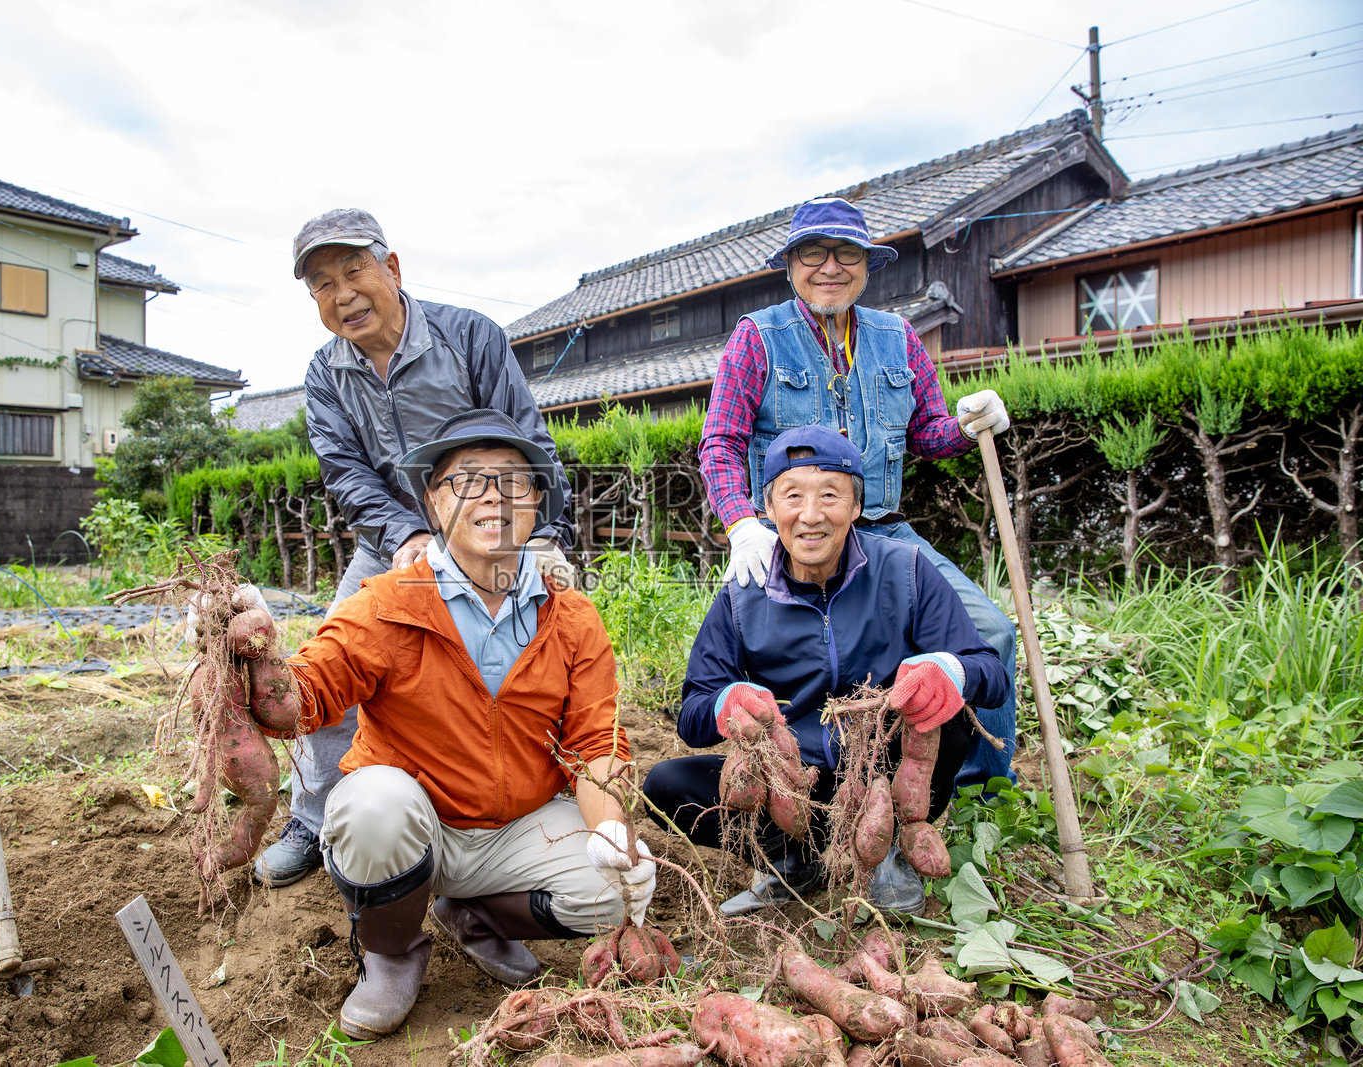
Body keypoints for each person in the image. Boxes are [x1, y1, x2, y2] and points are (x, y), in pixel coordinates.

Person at [218, 409, 654, 1039]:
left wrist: (612, 833)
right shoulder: (388, 602)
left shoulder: (573, 617)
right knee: (371, 804)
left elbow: (595, 743)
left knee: (618, 885)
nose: (493, 498)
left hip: (516, 828)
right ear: (433, 501)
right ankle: (391, 952)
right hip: (414, 825)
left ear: (538, 502)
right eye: (467, 481)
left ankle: (471, 914)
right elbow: (303, 697)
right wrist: (252, 658)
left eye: (514, 482)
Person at [258, 208, 575, 889]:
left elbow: (527, 439)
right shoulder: (325, 375)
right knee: (334, 658)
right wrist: (405, 535)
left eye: (353, 271)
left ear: (392, 269)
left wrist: (545, 537)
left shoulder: (469, 338)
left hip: (495, 533)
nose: (341, 294)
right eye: (320, 284)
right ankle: (313, 818)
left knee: (543, 660)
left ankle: (545, 811)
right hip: (393, 541)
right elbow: (345, 472)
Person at [698, 195, 1017, 792]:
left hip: (885, 532)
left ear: (867, 265)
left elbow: (927, 435)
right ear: (791, 263)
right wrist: (743, 524)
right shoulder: (757, 338)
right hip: (797, 536)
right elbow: (719, 442)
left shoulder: (898, 337)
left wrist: (969, 425)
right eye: (813, 252)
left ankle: (975, 783)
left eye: (847, 253)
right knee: (776, 659)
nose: (830, 267)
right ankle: (793, 783)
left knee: (992, 632)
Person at [645, 426, 1010, 915]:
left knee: (950, 716)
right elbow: (692, 712)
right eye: (792, 496)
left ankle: (888, 850)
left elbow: (989, 671)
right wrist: (725, 702)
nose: (811, 516)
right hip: (792, 782)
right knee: (666, 785)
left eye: (830, 496)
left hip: (883, 769)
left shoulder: (907, 571)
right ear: (769, 511)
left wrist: (949, 671)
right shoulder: (741, 594)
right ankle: (792, 858)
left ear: (856, 508)